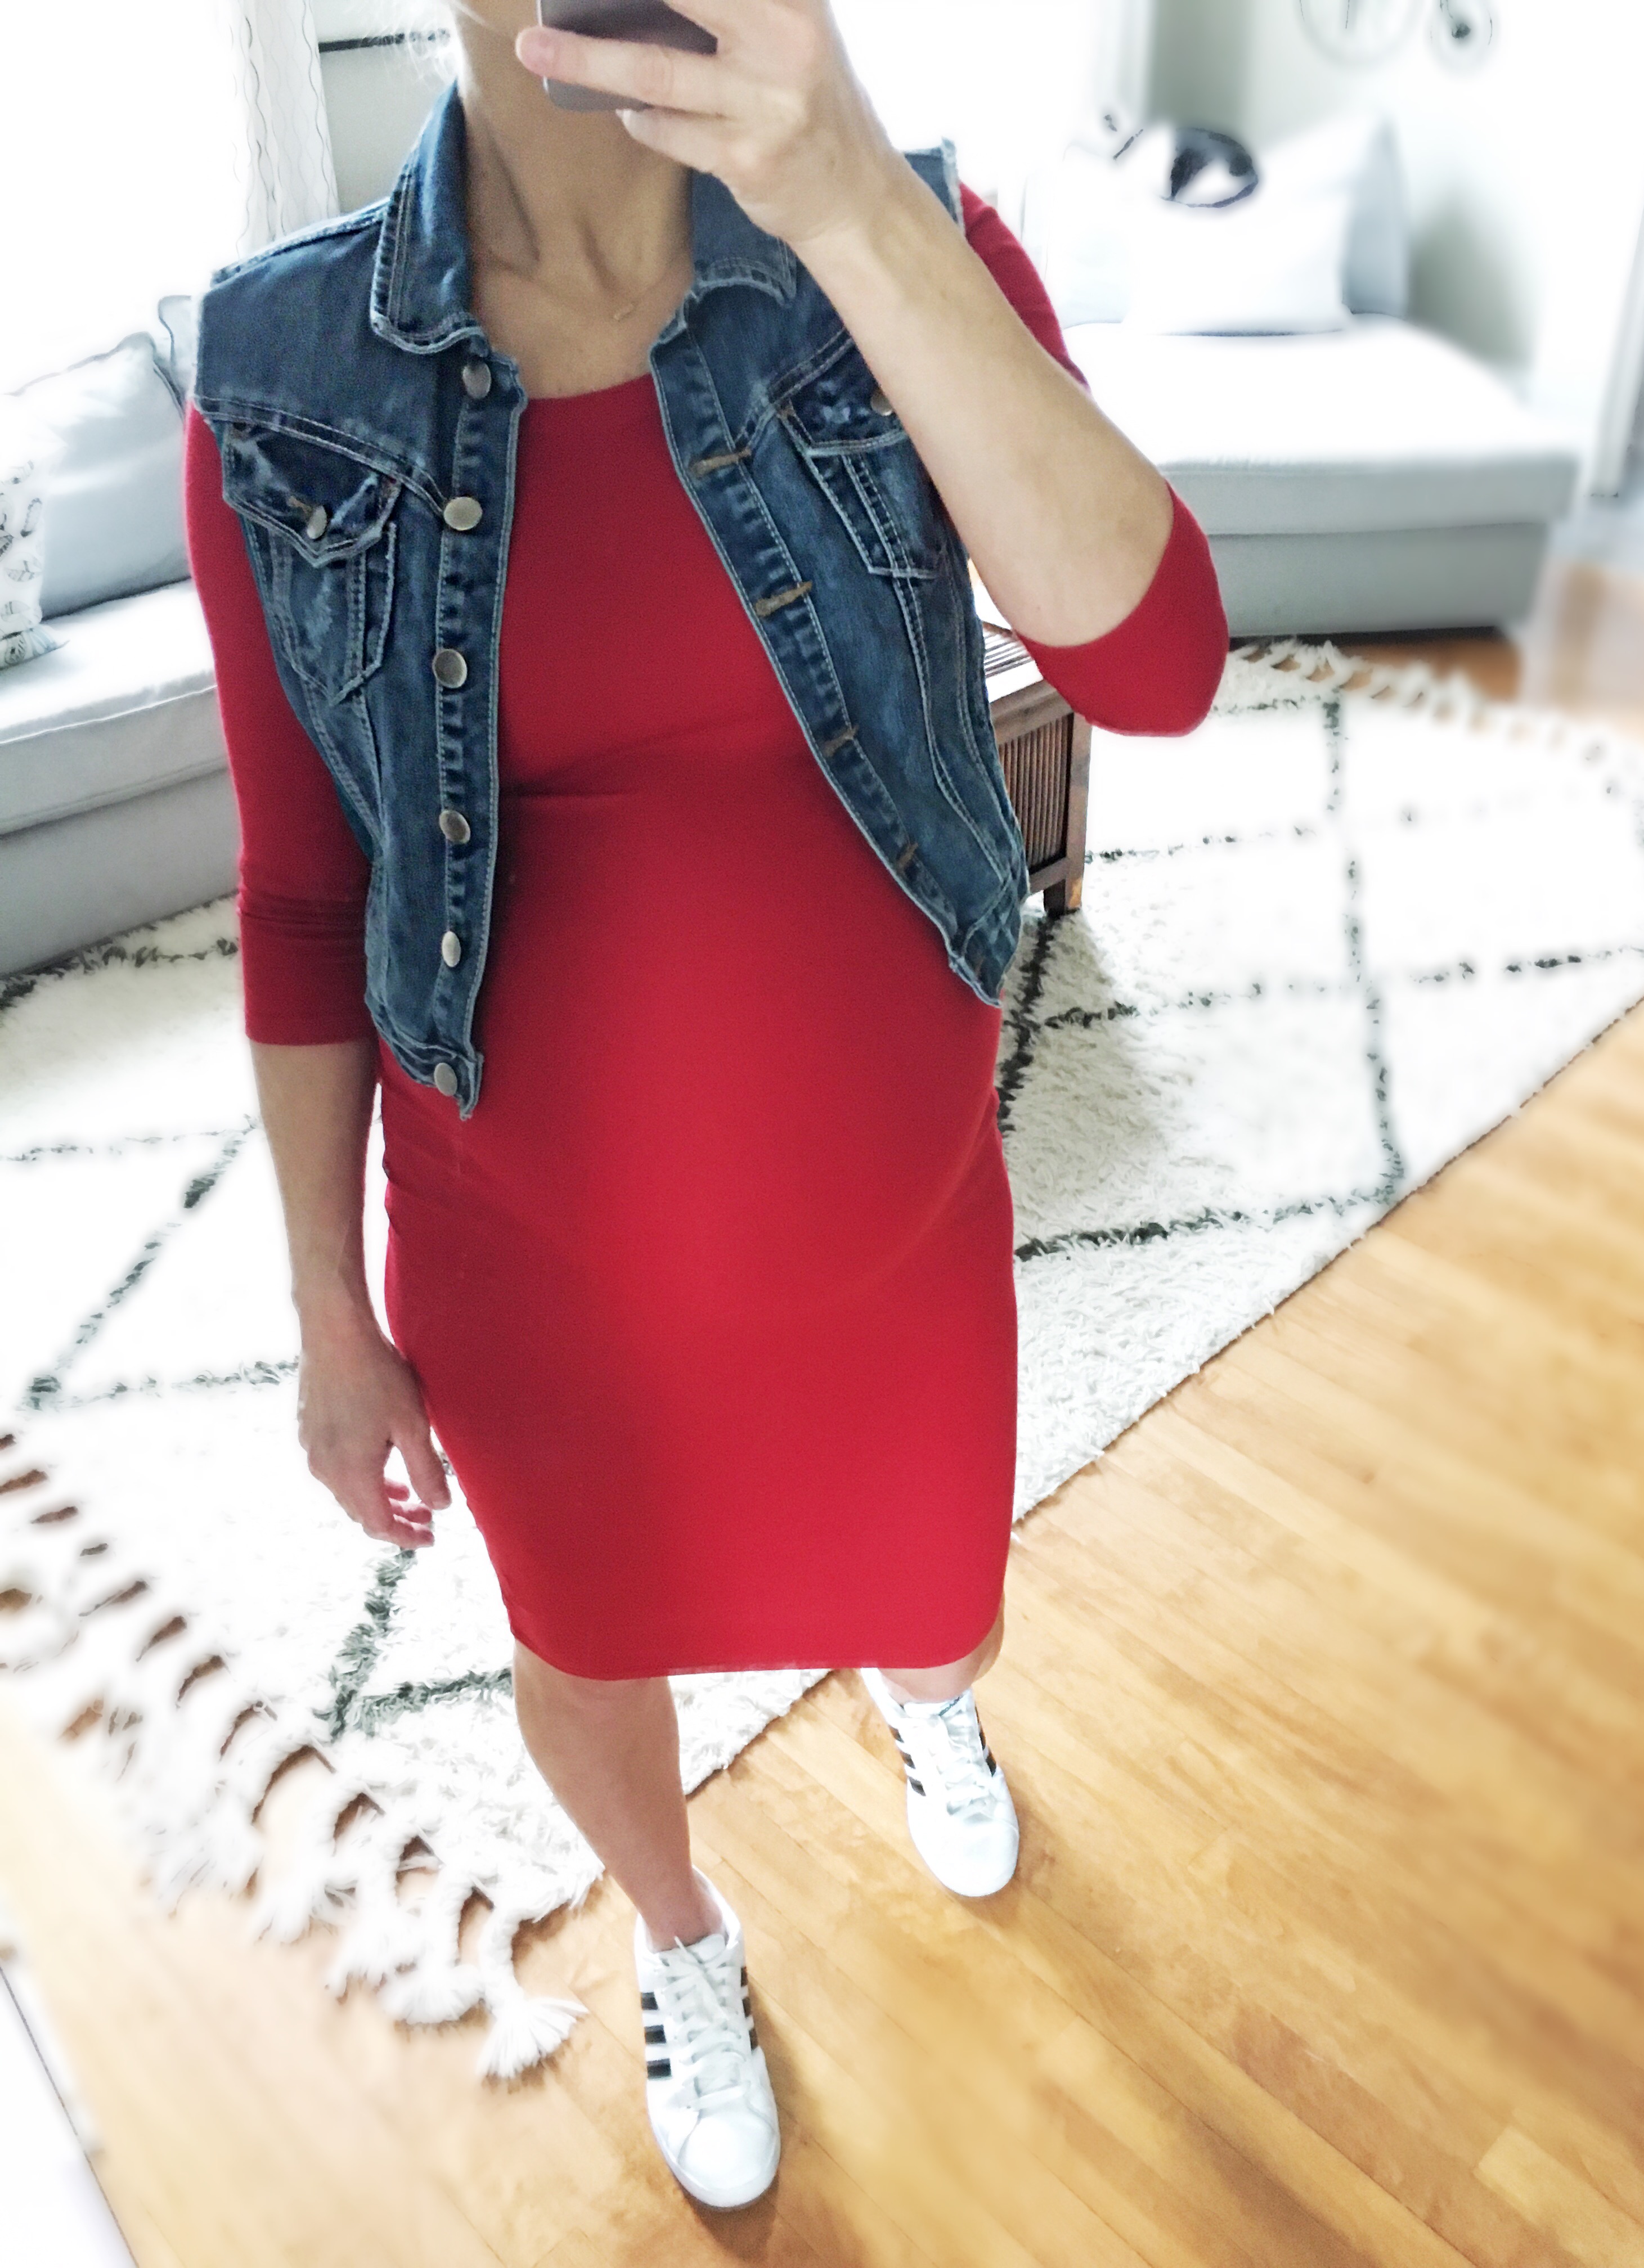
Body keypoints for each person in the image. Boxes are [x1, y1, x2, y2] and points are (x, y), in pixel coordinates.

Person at [184, 0, 1226, 2213]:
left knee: (939, 1608)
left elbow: (1154, 671)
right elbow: (301, 890)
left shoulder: (900, 245)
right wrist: (326, 1314)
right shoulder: (286, 379)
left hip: (896, 1225)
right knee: (590, 1650)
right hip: (527, 1269)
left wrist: (844, 197)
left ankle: (926, 1707)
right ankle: (683, 1941)